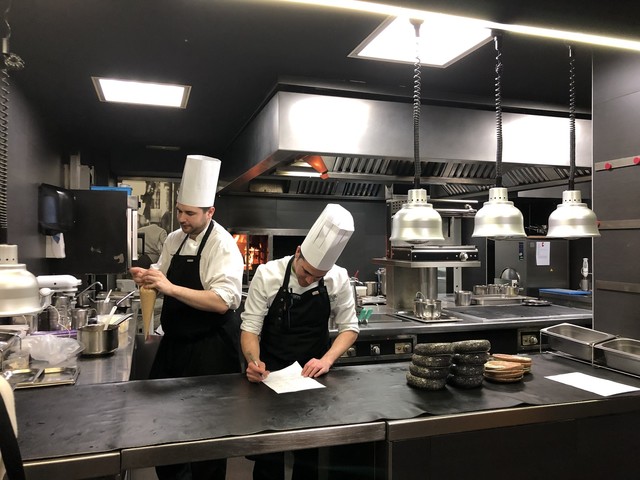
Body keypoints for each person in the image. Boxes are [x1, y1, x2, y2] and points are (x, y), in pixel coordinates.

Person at [129, 155, 244, 480]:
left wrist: (169, 287)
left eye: (190, 213)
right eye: (180, 211)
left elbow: (222, 301)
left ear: (210, 212)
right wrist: (147, 277)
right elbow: (161, 277)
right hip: (175, 345)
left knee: (208, 436)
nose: (182, 218)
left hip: (211, 350)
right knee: (165, 428)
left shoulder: (223, 246)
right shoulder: (173, 239)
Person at [240, 203, 360, 480]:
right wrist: (253, 362)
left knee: (310, 458)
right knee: (269, 458)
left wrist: (327, 360)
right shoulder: (268, 274)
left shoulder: (338, 277)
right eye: (306, 272)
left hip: (313, 374)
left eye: (317, 277)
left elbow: (349, 328)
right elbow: (250, 328)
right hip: (270, 374)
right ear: (298, 253)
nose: (308, 280)